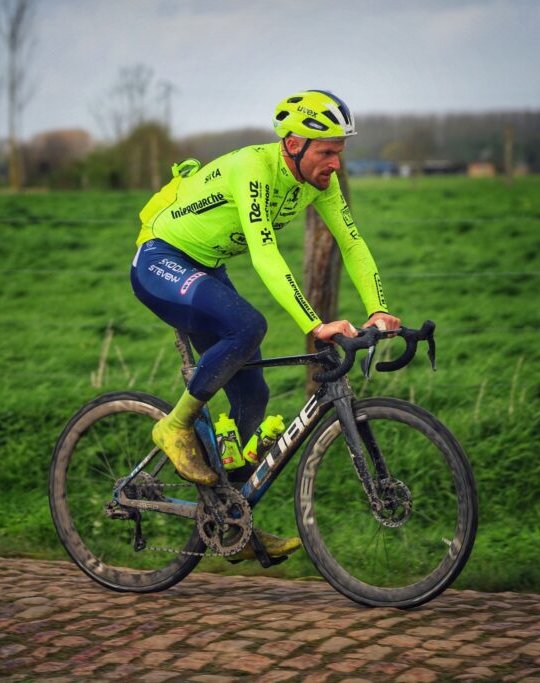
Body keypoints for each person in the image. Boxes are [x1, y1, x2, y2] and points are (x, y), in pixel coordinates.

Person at [130, 90, 401, 559]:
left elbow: (351, 243)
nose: (336, 163)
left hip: (206, 266)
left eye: (340, 151)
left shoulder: (320, 183)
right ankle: (173, 428)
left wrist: (378, 308)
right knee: (248, 326)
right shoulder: (252, 169)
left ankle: (231, 520)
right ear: (293, 144)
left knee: (253, 396)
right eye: (327, 151)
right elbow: (264, 253)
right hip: (161, 259)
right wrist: (315, 324)